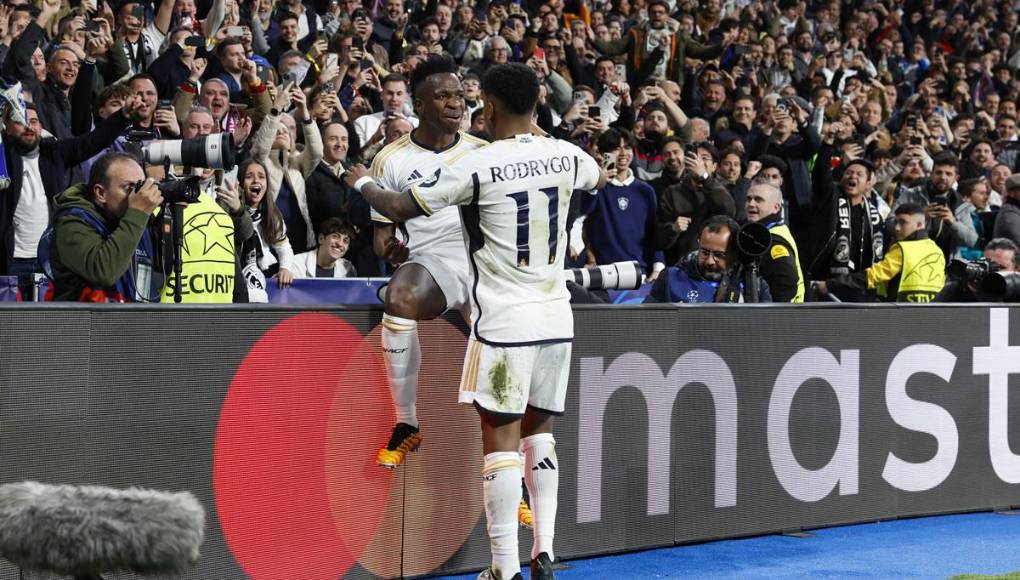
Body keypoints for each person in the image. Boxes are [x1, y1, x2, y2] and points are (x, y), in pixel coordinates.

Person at [346, 62, 605, 580]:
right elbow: (596, 177)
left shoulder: (478, 165)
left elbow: (398, 203)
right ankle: (546, 551)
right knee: (542, 435)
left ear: (486, 106)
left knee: (502, 445)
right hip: (556, 317)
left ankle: (504, 569)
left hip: (504, 317)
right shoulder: (566, 154)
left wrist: (363, 182)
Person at [364, 55, 488, 471]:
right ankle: (406, 422)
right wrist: (393, 249)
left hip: (487, 263)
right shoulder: (391, 160)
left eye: (460, 95)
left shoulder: (483, 152)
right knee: (398, 297)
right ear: (418, 105)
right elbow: (383, 238)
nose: (457, 104)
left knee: (502, 350)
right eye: (444, 97)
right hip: (435, 262)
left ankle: (514, 468)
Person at [48, 152, 163, 302]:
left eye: (141, 187)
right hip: (87, 322)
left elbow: (159, 273)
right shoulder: (71, 222)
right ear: (101, 193)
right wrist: (137, 214)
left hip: (131, 320)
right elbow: (104, 273)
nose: (139, 195)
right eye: (129, 188)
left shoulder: (128, 217)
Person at [821, 203, 945, 303]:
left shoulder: (902, 249)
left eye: (903, 222)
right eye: (896, 222)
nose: (896, 228)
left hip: (901, 313)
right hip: (931, 314)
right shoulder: (936, 250)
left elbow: (873, 276)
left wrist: (831, 285)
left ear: (919, 225)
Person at [644, 215, 772, 303]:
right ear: (698, 243)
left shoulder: (753, 285)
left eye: (719, 255)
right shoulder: (670, 278)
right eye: (704, 252)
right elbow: (646, 321)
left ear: (734, 252)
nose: (710, 261)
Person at [744, 180, 804, 302]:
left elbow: (786, 284)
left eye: (758, 200)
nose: (751, 203)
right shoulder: (768, 231)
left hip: (782, 317)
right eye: (748, 199)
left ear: (776, 207)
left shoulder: (773, 240)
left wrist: (770, 315)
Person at [290, 217, 357, 278]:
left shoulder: (348, 269)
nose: (340, 244)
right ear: (321, 239)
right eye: (335, 237)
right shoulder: (297, 262)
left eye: (345, 241)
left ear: (348, 248)